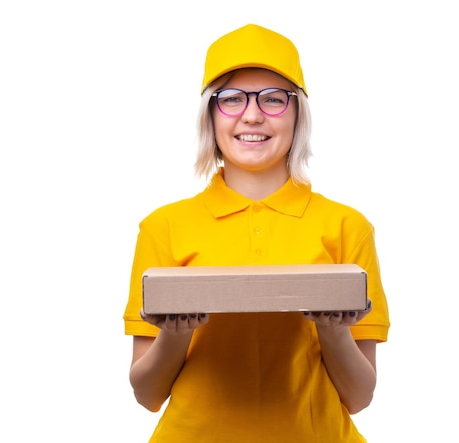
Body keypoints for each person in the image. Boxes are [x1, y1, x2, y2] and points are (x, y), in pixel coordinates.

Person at [122, 23, 390, 442]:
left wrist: (333, 328)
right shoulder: (163, 227)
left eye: (273, 99)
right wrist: (176, 334)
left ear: (298, 112)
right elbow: (147, 394)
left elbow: (359, 397)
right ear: (209, 116)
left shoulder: (346, 227)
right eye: (231, 99)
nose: (251, 114)